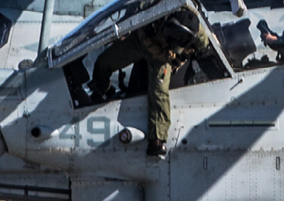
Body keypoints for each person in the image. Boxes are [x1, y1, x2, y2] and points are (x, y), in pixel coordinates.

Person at [89, 11, 217, 156]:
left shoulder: (196, 30)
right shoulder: (157, 9)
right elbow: (135, 9)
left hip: (162, 58)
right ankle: (102, 90)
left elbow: (205, 46)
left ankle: (157, 140)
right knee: (103, 63)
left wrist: (188, 56)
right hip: (141, 40)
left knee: (159, 92)